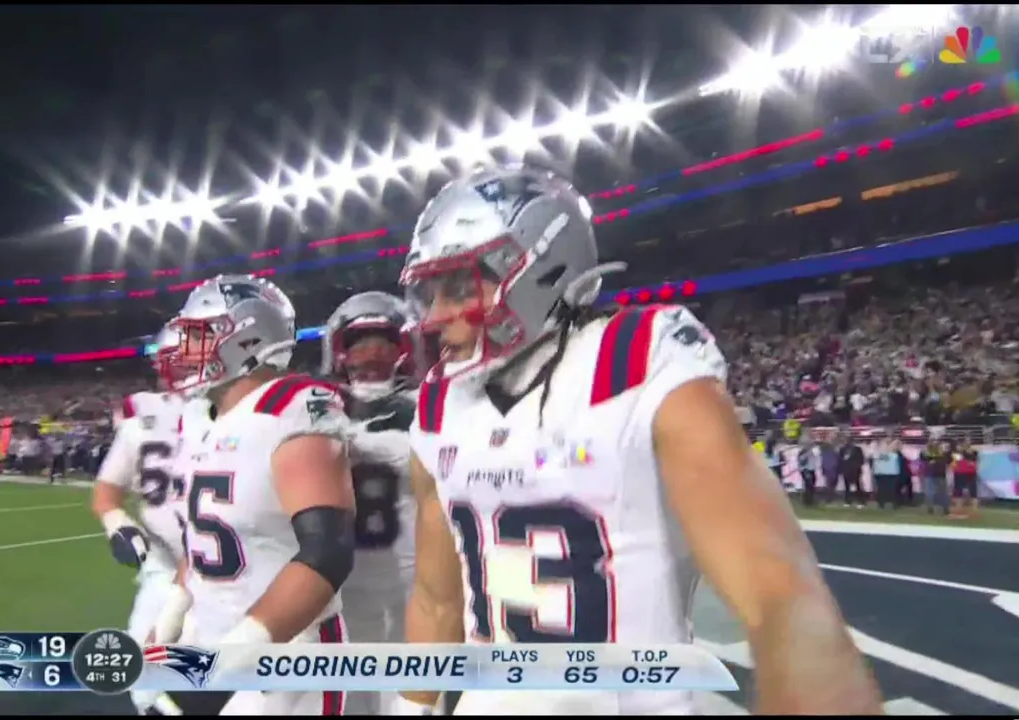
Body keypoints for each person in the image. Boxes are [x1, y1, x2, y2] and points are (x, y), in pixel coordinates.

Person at [393, 166, 881, 715]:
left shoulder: (638, 362)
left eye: (460, 287)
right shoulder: (439, 405)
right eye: (429, 293)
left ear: (541, 267)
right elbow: (437, 601)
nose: (436, 316)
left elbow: (782, 598)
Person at [146, 274, 355, 716]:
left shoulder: (292, 407)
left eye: (198, 337)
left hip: (288, 650)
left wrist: (239, 653)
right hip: (208, 637)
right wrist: (173, 610)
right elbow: (203, 537)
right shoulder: (198, 418)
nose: (183, 350)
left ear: (246, 340)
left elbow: (328, 552)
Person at [321, 291, 420, 716]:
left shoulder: (428, 405)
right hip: (344, 586)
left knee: (410, 699)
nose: (372, 355)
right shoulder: (321, 407)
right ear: (339, 352)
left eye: (383, 343)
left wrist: (355, 442)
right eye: (360, 345)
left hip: (412, 584)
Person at [90, 324, 195, 716]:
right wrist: (118, 525)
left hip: (227, 570)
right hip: (164, 564)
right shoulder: (140, 418)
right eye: (174, 361)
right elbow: (106, 492)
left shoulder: (234, 417)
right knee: (144, 685)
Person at [950, 440, 980, 518]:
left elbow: (956, 460)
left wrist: (959, 452)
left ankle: (959, 510)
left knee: (959, 491)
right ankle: (974, 511)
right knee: (973, 492)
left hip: (961, 472)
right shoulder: (974, 452)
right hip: (970, 472)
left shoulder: (960, 453)